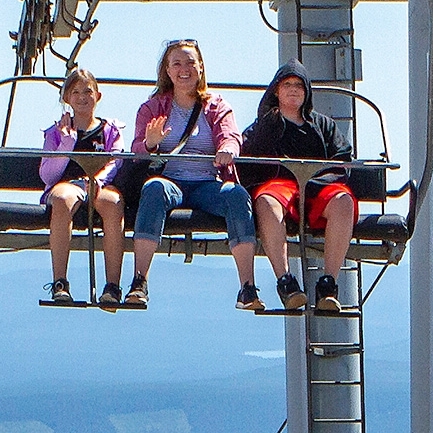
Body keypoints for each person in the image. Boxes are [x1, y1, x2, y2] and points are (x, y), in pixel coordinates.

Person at [128, 39, 260, 310]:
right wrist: (150, 143)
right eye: (177, 63)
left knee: (236, 195)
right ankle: (139, 280)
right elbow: (138, 151)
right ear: (167, 70)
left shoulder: (216, 106)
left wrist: (227, 149)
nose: (184, 69)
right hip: (170, 182)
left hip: (205, 183)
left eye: (190, 63)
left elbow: (230, 136)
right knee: (153, 189)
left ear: (200, 68)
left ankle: (247, 286)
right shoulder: (152, 108)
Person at [238, 61, 358, 311]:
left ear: (307, 92)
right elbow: (248, 161)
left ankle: (328, 284)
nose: (293, 90)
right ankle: (286, 281)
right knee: (266, 201)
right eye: (287, 84)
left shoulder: (324, 126)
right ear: (276, 91)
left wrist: (315, 181)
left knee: (343, 202)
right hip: (280, 186)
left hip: (320, 185)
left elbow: (343, 159)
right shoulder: (263, 126)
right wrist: (267, 131)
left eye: (299, 85)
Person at [37, 67, 126, 303]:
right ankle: (60, 282)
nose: (82, 97)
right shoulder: (56, 133)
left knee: (113, 204)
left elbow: (116, 160)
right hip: (69, 184)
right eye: (75, 92)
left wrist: (99, 179)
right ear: (67, 98)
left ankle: (113, 286)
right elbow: (48, 175)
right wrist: (67, 142)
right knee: (61, 200)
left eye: (88, 91)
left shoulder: (110, 130)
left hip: (99, 183)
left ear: (97, 96)